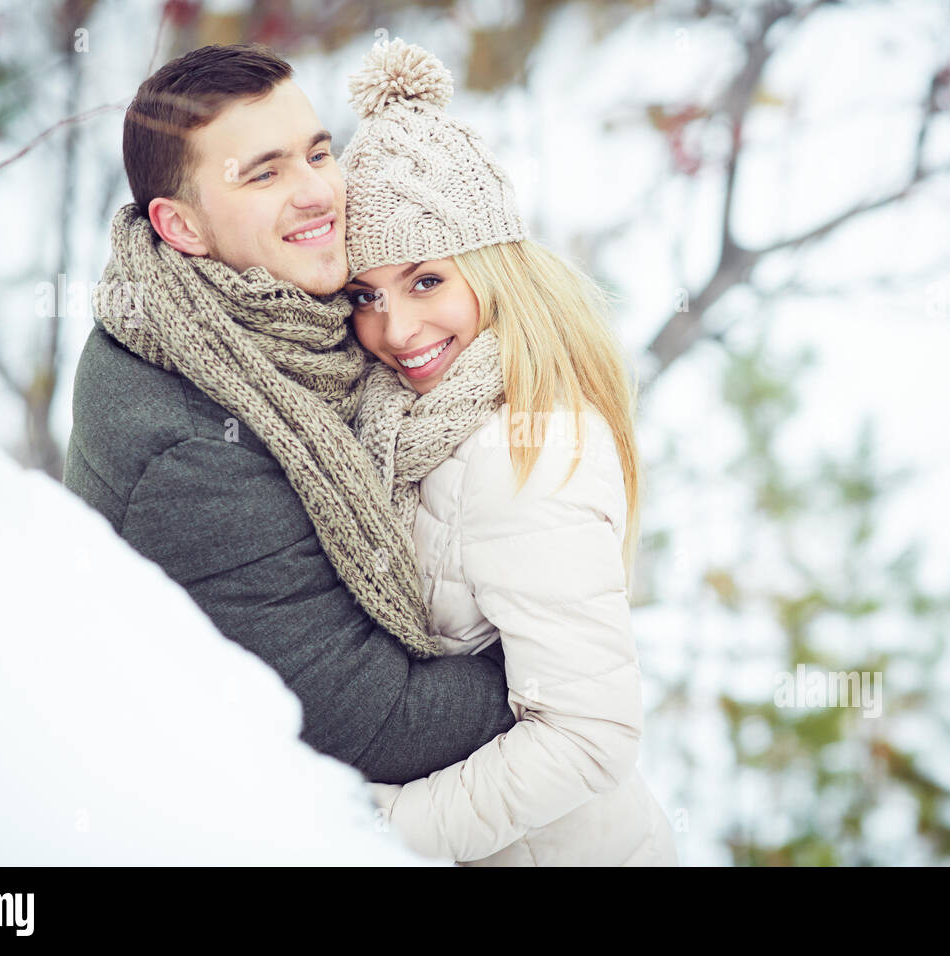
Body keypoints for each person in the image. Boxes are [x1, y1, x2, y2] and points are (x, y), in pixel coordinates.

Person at [62, 43, 516, 786]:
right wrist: (551, 664)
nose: (318, 194)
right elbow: (373, 721)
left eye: (317, 154)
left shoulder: (307, 315)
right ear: (180, 228)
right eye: (265, 173)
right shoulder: (184, 445)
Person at [341, 39, 678, 866]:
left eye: (427, 281)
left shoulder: (525, 446)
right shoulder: (409, 419)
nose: (396, 330)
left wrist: (373, 837)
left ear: (494, 271)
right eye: (365, 295)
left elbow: (590, 737)